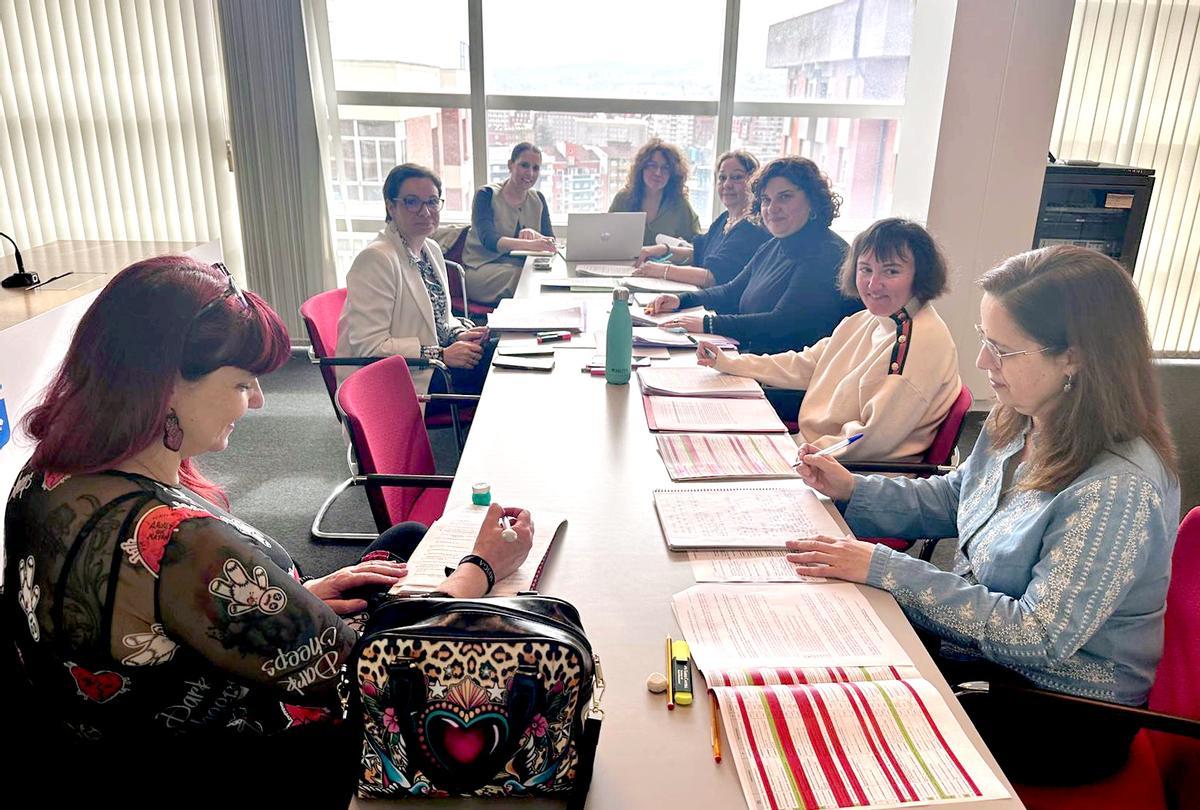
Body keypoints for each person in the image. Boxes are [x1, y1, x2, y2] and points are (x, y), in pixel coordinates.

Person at [2, 256, 534, 803]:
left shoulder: (46, 472)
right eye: (242, 383)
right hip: (244, 757)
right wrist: (480, 569)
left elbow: (154, 617)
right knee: (468, 652)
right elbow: (385, 675)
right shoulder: (179, 540)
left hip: (127, 729)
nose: (257, 400)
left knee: (402, 542)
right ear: (164, 387)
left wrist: (291, 599)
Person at [788, 245, 1180, 785]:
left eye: (1002, 349)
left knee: (840, 723)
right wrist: (853, 488)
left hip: (1061, 711)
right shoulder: (1025, 415)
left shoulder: (1117, 485)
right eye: (984, 339)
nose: (982, 363)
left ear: (1075, 356)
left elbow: (1038, 638)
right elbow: (958, 499)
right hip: (984, 659)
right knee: (822, 651)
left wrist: (884, 568)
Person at [696, 218, 961, 461]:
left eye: (891, 272)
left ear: (921, 275)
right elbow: (806, 364)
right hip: (814, 452)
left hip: (849, 473)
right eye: (865, 269)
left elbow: (870, 438)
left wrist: (796, 456)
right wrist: (730, 363)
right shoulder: (867, 319)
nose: (872, 284)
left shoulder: (918, 342)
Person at [647, 156, 859, 355]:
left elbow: (782, 323)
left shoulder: (826, 254)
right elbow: (731, 291)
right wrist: (680, 300)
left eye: (785, 197)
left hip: (783, 382)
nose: (772, 208)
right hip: (754, 361)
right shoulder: (775, 244)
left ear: (812, 201)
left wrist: (707, 324)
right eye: (766, 200)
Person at [336, 163, 492, 397]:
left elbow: (440, 319)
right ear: (391, 206)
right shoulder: (376, 259)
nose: (425, 211)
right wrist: (441, 355)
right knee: (503, 376)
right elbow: (370, 346)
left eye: (431, 201)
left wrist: (459, 334)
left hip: (431, 366)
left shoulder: (431, 249)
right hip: (399, 379)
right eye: (412, 201)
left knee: (503, 353)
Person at [631, 150, 769, 288]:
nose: (727, 184)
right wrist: (660, 250)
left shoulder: (750, 227)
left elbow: (711, 277)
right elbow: (697, 253)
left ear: (753, 182)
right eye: (722, 178)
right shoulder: (725, 219)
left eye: (737, 177)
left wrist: (661, 270)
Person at [460, 142, 556, 304]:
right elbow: (489, 240)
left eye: (536, 168)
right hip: (482, 269)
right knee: (529, 280)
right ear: (510, 165)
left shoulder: (538, 199)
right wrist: (530, 245)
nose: (530, 173)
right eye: (524, 165)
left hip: (520, 268)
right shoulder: (486, 195)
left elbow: (550, 242)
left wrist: (535, 235)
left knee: (538, 277)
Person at [608, 138, 701, 245]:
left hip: (664, 262)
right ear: (641, 168)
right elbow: (607, 236)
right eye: (652, 165)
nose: (658, 173)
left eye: (665, 168)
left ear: (672, 174)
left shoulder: (679, 205)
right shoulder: (623, 199)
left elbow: (697, 246)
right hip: (626, 261)